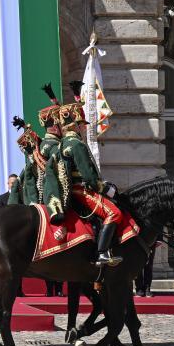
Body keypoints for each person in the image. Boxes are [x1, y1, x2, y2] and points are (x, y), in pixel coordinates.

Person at [53, 82, 124, 266]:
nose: (83, 128)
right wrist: (105, 189)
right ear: (75, 125)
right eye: (81, 124)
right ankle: (102, 253)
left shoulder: (62, 144)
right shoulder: (76, 145)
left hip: (71, 190)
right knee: (114, 213)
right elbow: (89, 176)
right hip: (80, 190)